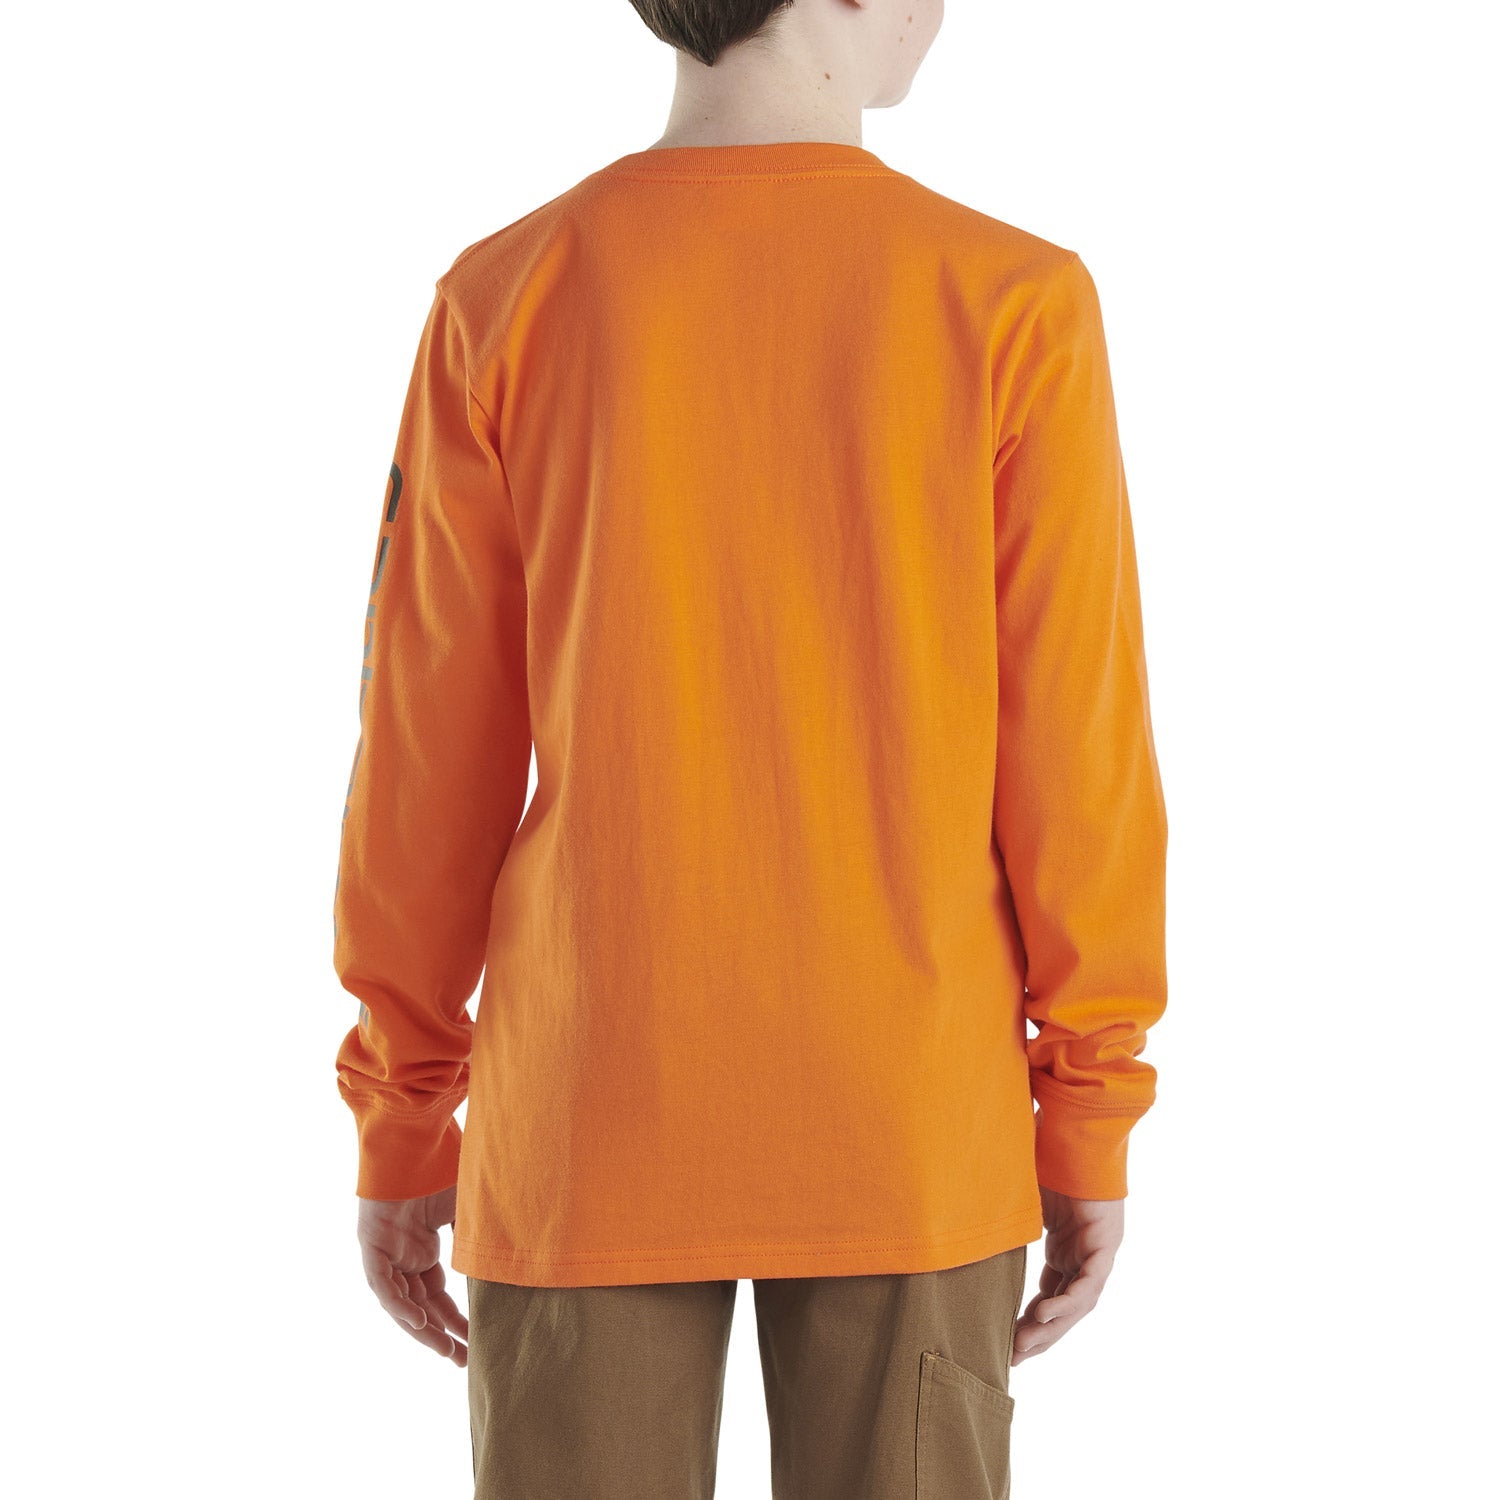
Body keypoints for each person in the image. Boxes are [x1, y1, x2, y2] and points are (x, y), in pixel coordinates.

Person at [330, 1, 1168, 1494]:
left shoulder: (505, 295)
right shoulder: (1012, 301)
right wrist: (1089, 1107)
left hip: (586, 1114)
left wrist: (405, 1112)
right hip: (910, 1123)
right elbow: (1080, 755)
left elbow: (421, 758)